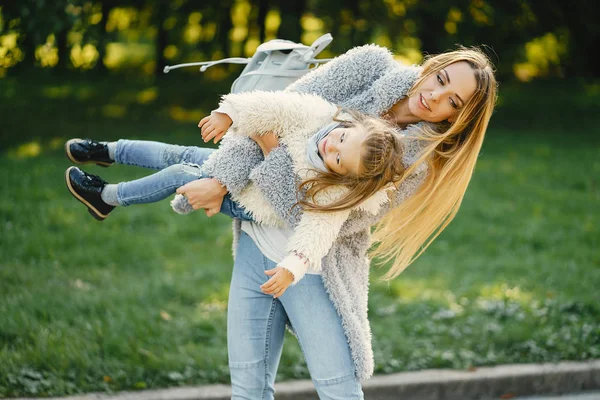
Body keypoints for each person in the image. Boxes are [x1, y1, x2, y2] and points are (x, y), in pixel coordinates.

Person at [174, 44, 497, 399]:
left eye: (453, 102)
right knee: (248, 392)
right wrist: (221, 179)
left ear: (457, 119)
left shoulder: (415, 164)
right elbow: (275, 109)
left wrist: (271, 148)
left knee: (339, 392)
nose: (435, 96)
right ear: (433, 66)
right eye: (440, 79)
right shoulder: (368, 66)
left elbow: (324, 219)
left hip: (313, 269)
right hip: (256, 246)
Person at [65, 90, 406, 293]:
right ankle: (105, 150)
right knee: (177, 153)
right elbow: (270, 105)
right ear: (350, 126)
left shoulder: (332, 194)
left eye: (337, 158)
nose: (333, 146)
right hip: (239, 166)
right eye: (342, 139)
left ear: (346, 177)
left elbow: (316, 235)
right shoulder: (319, 116)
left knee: (182, 173)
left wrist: (293, 267)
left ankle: (106, 197)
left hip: (249, 200)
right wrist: (227, 114)